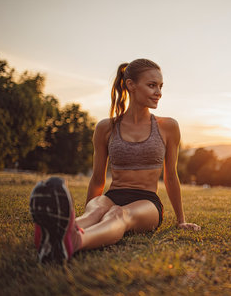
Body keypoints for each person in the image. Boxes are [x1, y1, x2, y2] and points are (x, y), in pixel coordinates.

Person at [30, 59, 200, 263]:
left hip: (147, 202)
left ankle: (74, 242)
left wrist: (181, 220)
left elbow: (171, 176)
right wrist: (91, 212)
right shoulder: (106, 127)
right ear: (131, 85)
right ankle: (62, 231)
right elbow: (97, 178)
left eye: (160, 86)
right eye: (152, 85)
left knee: (119, 215)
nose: (158, 92)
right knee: (97, 211)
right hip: (113, 194)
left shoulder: (168, 127)